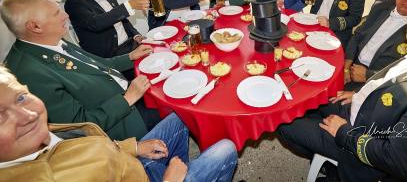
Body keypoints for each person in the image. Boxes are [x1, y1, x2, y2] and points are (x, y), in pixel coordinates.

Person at [278, 0, 407, 182]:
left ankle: (338, 169)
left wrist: (344, 133)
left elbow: (396, 160)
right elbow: (391, 82)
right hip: (361, 108)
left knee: (282, 123)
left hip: (359, 144)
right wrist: (359, 94)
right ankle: (326, 160)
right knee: (304, 98)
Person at [0, 67, 237, 182]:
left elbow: (84, 146)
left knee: (179, 116)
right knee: (227, 147)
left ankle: (185, 169)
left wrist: (131, 148)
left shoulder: (40, 136)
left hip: (125, 163)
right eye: (1, 116)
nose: (27, 115)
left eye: (20, 97)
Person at [1, 0, 157, 140]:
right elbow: (79, 127)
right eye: (57, 13)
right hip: (123, 127)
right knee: (175, 113)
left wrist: (130, 56)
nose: (66, 15)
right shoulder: (29, 72)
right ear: (35, 26)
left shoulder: (51, 40)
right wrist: (127, 99)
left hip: (127, 95)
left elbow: (97, 65)